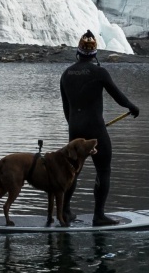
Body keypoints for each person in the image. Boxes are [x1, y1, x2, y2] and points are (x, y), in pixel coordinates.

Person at [59, 29, 139, 227]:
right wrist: (132, 107)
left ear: (77, 52)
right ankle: (99, 216)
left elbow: (66, 108)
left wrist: (75, 130)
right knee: (103, 170)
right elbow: (118, 96)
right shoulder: (99, 72)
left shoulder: (66, 74)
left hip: (75, 129)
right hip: (95, 129)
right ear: (95, 54)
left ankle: (66, 212)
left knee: (72, 172)